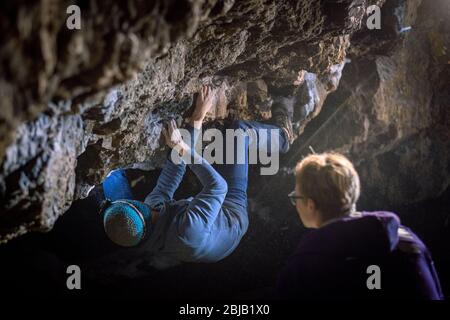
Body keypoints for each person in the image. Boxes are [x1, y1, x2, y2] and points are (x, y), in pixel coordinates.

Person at [99, 85, 293, 269]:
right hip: (231, 217)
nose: (150, 205)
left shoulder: (146, 217)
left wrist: (197, 119)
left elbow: (172, 174)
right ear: (142, 211)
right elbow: (218, 187)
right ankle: (284, 138)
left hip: (201, 226)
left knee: (115, 177)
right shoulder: (188, 231)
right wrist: (181, 146)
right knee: (238, 133)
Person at [277, 152, 444, 299]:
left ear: (311, 205)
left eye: (295, 198)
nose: (295, 205)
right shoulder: (407, 240)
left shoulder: (304, 267)